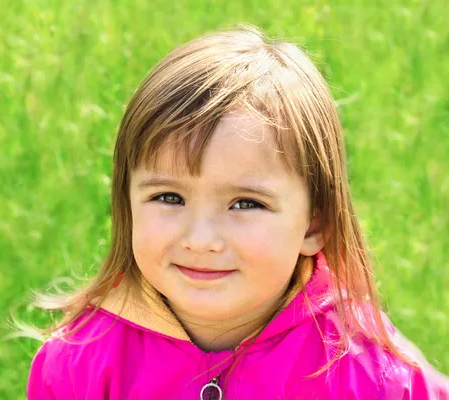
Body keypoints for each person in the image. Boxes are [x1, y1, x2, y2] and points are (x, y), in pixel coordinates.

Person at [26, 26, 449, 399]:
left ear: (314, 222)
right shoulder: (80, 364)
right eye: (169, 197)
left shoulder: (372, 379)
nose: (201, 239)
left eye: (246, 203)